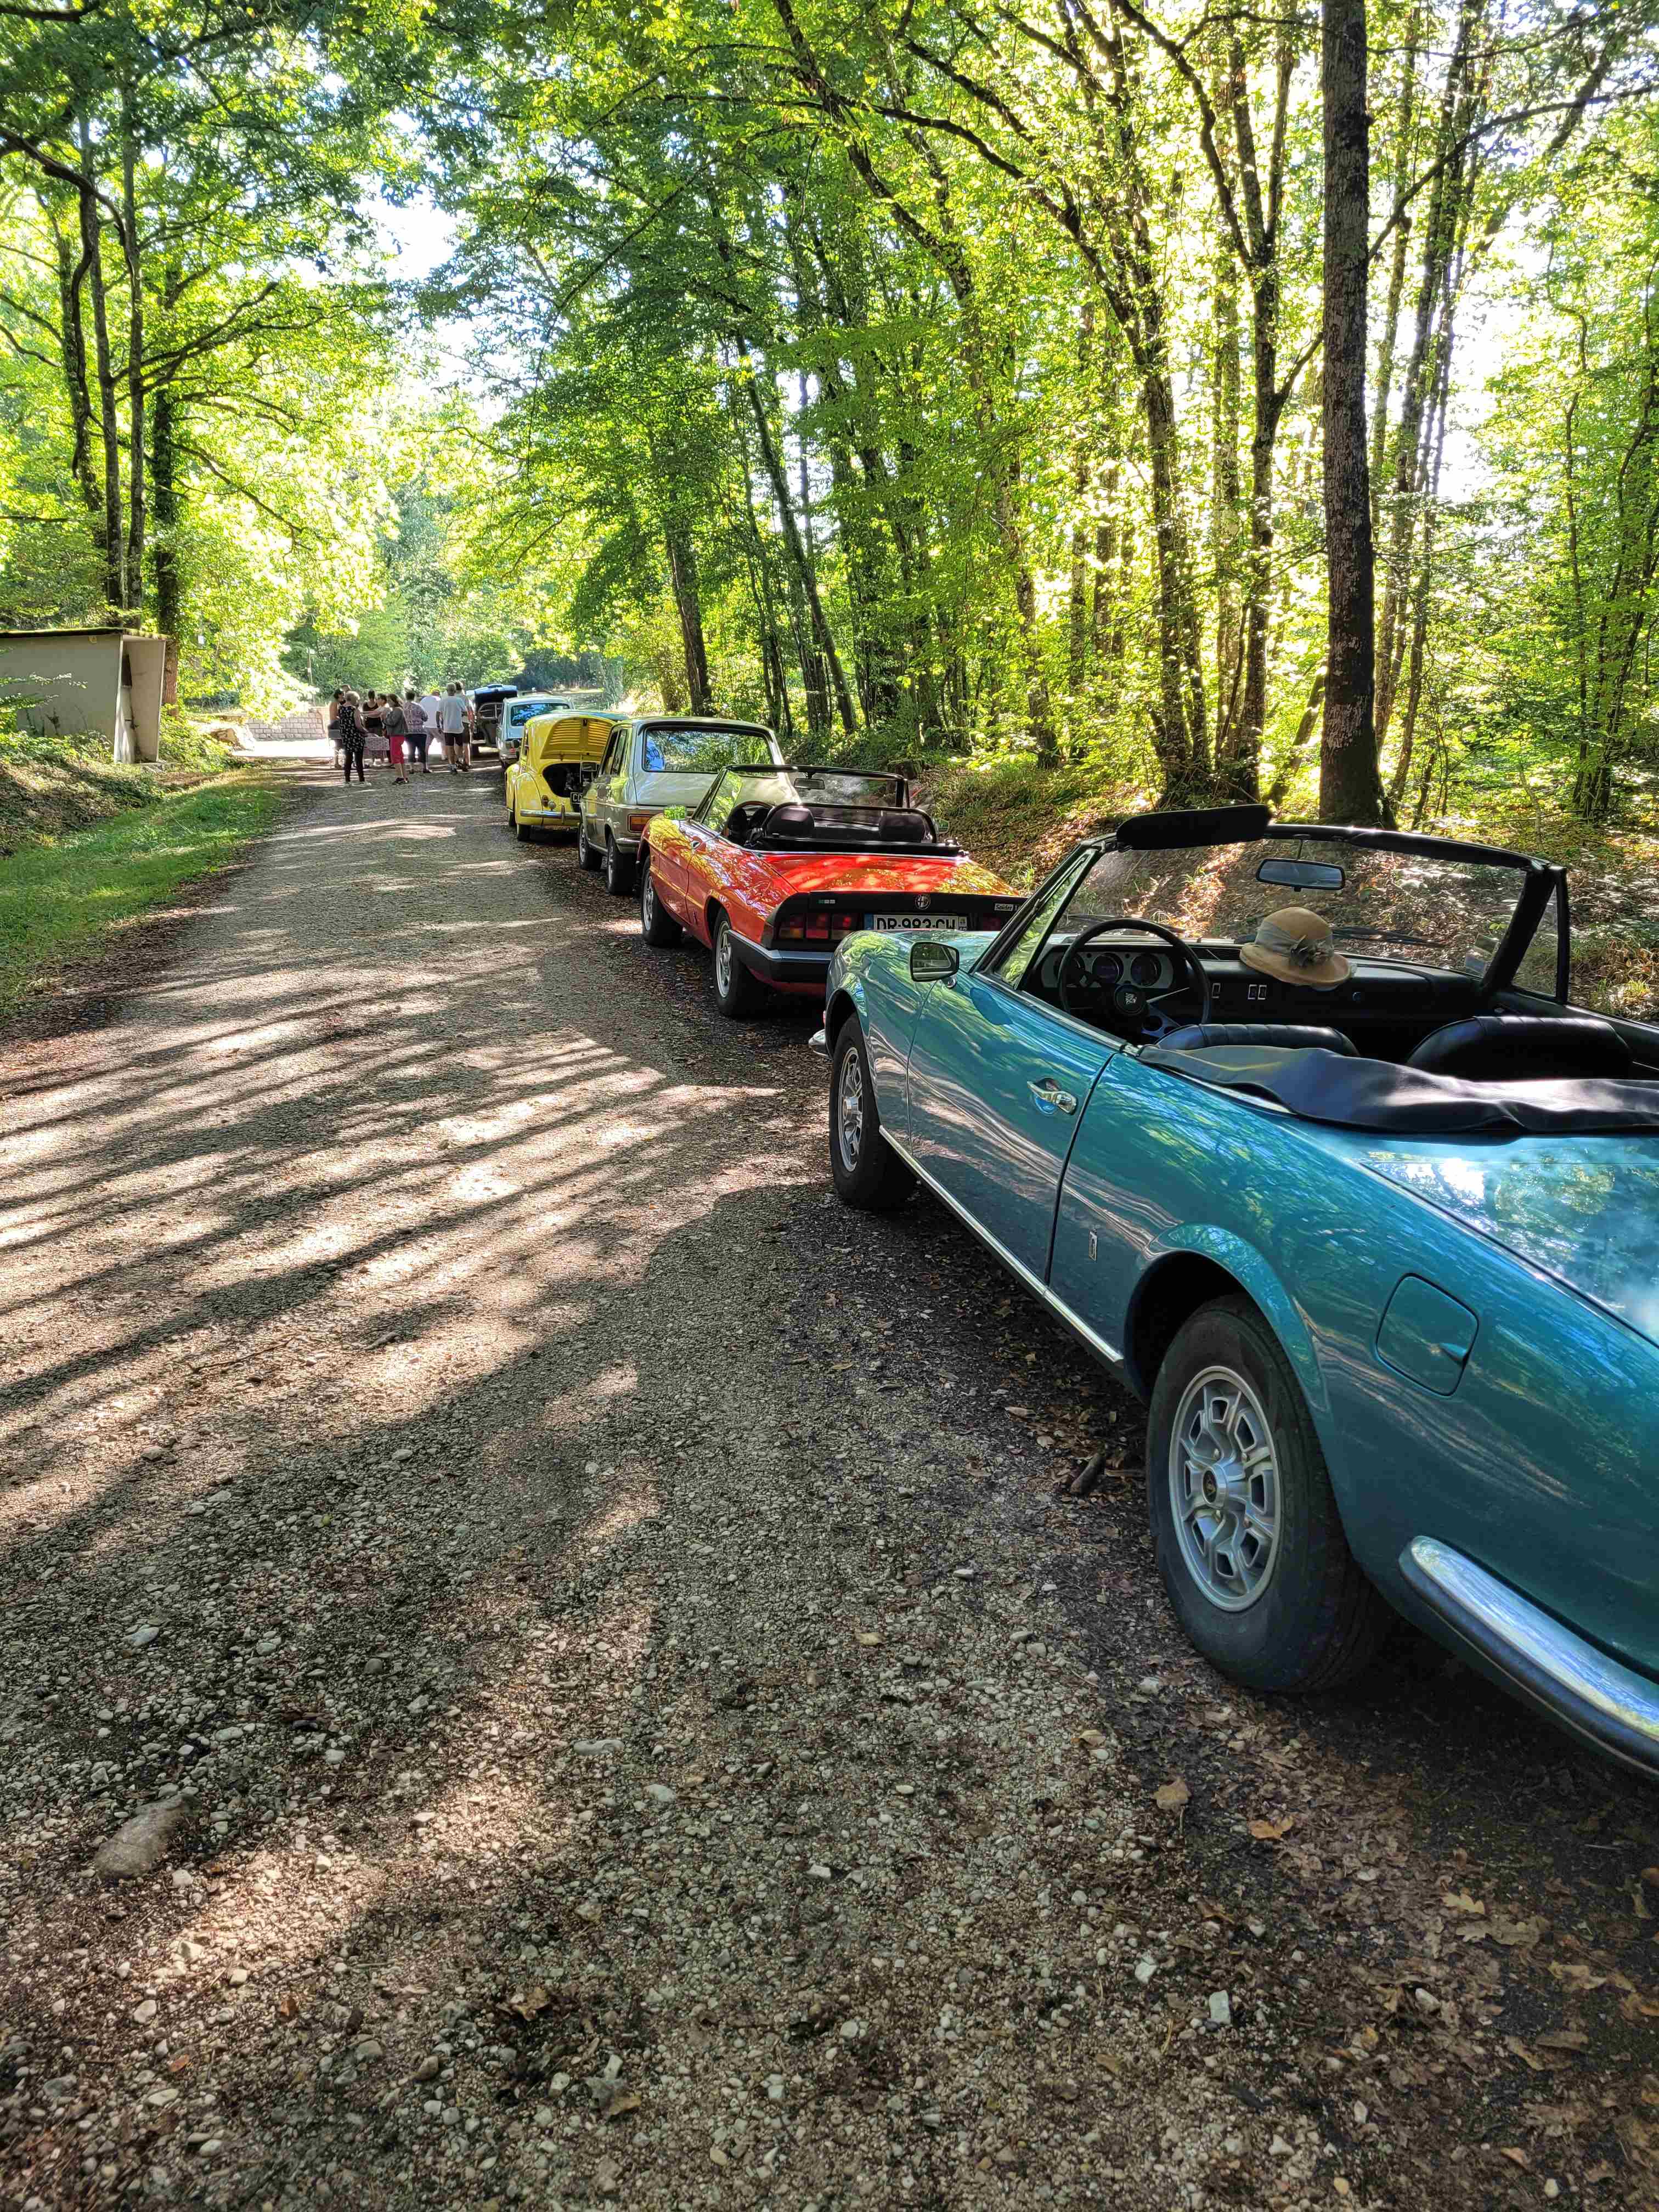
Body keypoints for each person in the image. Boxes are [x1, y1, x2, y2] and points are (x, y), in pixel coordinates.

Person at [439, 680, 468, 772]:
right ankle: (458, 760)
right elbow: (466, 712)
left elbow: (438, 713)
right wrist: (459, 715)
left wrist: (439, 725)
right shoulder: (459, 700)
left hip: (447, 728)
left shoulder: (443, 701)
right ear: (455, 691)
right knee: (460, 746)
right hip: (458, 727)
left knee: (450, 747)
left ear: (447, 691)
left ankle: (453, 767)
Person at [338, 690, 366, 783]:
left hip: (346, 737)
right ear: (353, 699)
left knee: (348, 759)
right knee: (359, 759)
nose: (357, 702)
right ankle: (362, 780)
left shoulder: (341, 709)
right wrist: (366, 732)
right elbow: (358, 726)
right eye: (357, 700)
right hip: (356, 737)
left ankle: (347, 780)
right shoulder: (355, 710)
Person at [383, 689, 409, 784]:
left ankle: (400, 777)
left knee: (395, 756)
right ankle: (404, 777)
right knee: (400, 756)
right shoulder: (397, 710)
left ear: (395, 701)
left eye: (390, 701)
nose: (388, 703)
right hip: (397, 735)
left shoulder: (398, 710)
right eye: (388, 701)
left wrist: (384, 719)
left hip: (396, 735)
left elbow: (392, 722)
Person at [405, 689, 431, 774]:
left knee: (410, 749)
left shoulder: (403, 707)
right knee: (422, 749)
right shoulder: (418, 706)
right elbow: (425, 717)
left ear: (406, 697)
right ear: (414, 697)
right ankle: (425, 768)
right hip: (420, 731)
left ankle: (411, 768)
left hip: (408, 731)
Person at [421, 682, 444, 763]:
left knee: (426, 744)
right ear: (438, 694)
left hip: (426, 725)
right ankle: (446, 757)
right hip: (437, 725)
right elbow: (442, 712)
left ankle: (425, 759)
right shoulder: (439, 700)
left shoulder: (423, 700)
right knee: (445, 741)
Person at [327, 689, 343, 769]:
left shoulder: (337, 703)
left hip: (336, 725)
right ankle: (336, 763)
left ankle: (337, 763)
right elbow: (334, 716)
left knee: (338, 745)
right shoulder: (335, 703)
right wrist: (343, 719)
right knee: (339, 744)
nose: (344, 696)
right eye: (343, 695)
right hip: (335, 726)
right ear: (339, 695)